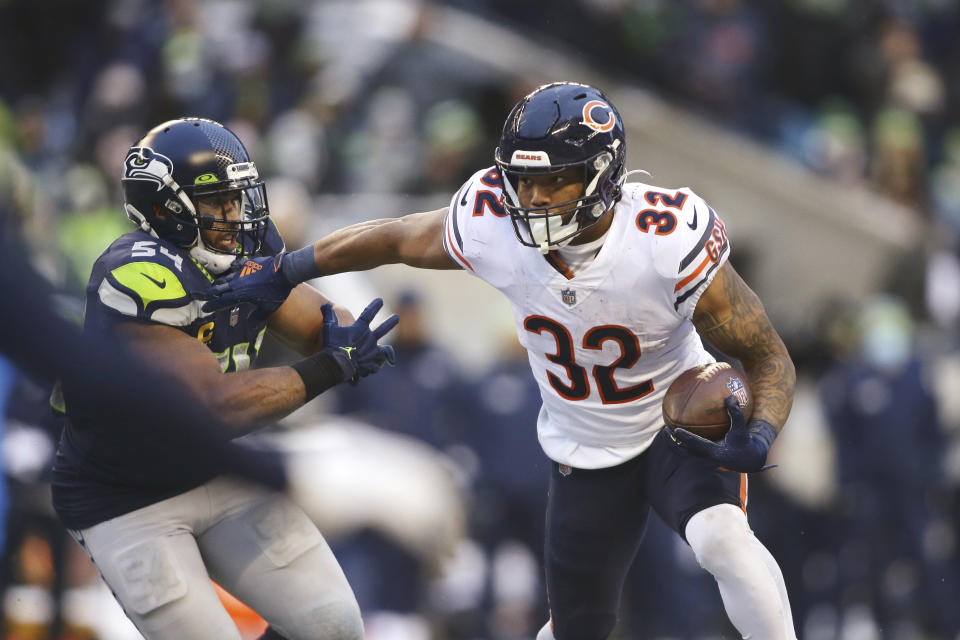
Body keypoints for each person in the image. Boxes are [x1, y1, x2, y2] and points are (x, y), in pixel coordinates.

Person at [203, 83, 798, 639]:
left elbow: (768, 355)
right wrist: (289, 268)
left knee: (724, 542)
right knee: (575, 628)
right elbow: (397, 237)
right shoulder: (494, 222)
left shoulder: (665, 236)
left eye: (555, 181)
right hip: (583, 453)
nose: (533, 198)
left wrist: (762, 430)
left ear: (602, 174)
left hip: (675, 431)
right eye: (522, 180)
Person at [51, 117, 398, 640]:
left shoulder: (243, 250)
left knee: (333, 626)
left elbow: (324, 327)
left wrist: (338, 333)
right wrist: (332, 365)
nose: (234, 215)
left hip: (214, 465)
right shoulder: (137, 272)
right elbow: (214, 404)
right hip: (124, 494)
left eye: (238, 199)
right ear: (167, 207)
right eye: (216, 202)